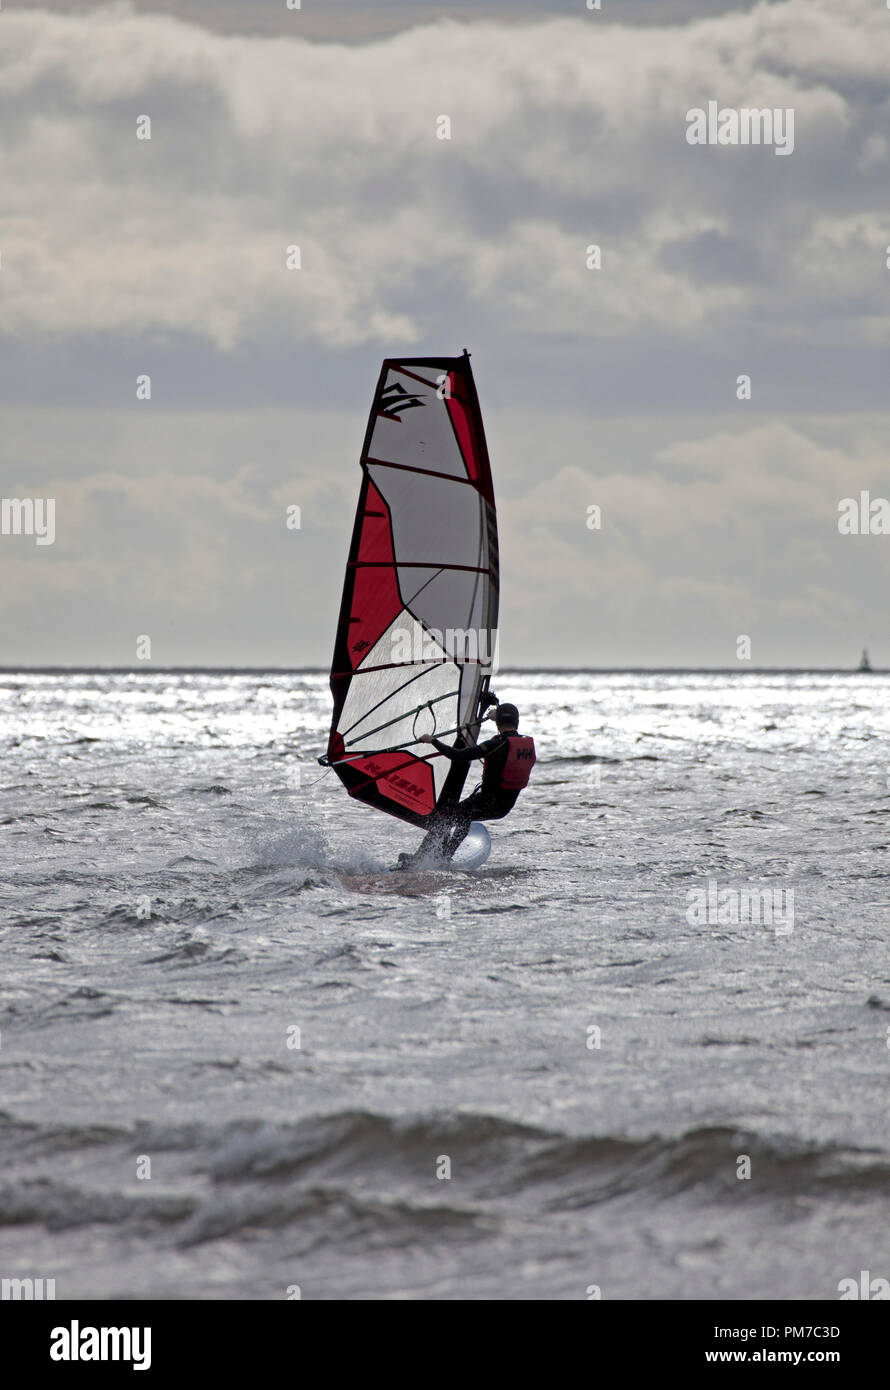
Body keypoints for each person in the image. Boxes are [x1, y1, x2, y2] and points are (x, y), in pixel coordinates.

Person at [397, 701, 536, 866]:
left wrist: (433, 741)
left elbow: (458, 755)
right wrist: (496, 717)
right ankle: (445, 856)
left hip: (486, 802)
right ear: (517, 722)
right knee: (463, 816)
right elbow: (507, 737)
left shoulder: (493, 745)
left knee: (445, 817)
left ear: (498, 722)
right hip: (504, 807)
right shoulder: (524, 746)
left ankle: (424, 858)